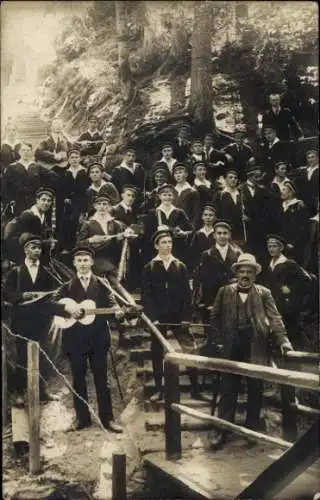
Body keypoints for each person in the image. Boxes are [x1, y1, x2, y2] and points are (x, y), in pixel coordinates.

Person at [209, 253, 293, 450]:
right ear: (236, 273)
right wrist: (219, 343)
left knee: (255, 389)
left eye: (249, 272)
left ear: (255, 275)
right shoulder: (224, 292)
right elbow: (214, 319)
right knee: (228, 389)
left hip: (256, 346)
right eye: (242, 271)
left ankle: (251, 430)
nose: (245, 275)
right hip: (231, 347)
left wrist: (284, 341)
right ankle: (223, 430)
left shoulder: (264, 293)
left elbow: (275, 319)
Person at [51, 245, 124, 432]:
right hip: (75, 339)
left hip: (98, 338)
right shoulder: (67, 286)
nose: (83, 264)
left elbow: (112, 301)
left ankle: (107, 420)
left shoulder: (101, 283)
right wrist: (67, 309)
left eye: (86, 260)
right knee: (78, 378)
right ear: (75, 264)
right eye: (79, 260)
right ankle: (82, 419)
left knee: (101, 378)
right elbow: (52, 304)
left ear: (92, 262)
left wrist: (117, 311)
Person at [263, 235, 313, 440]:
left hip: (287, 314)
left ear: (281, 247)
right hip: (272, 313)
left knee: (289, 356)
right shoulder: (270, 264)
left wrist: (291, 291)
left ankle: (293, 409)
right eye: (270, 246)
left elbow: (308, 280)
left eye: (276, 245)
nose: (272, 249)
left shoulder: (289, 264)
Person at [141, 226, 199, 401]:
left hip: (178, 317)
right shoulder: (149, 267)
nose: (167, 245)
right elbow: (147, 296)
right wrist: (153, 318)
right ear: (156, 246)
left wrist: (186, 318)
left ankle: (196, 388)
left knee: (189, 350)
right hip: (158, 319)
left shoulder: (180, 266)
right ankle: (160, 389)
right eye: (164, 243)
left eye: (170, 242)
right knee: (157, 353)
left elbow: (187, 296)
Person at [3, 234, 59, 403]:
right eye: (33, 248)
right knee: (21, 355)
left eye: (39, 248)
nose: (37, 251)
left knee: (42, 354)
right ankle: (19, 392)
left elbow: (52, 293)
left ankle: (42, 392)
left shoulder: (46, 272)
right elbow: (7, 294)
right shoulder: (16, 272)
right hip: (21, 320)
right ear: (26, 250)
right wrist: (22, 296)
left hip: (41, 320)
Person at [194, 220, 242, 330]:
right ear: (214, 235)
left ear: (229, 235)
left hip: (232, 295)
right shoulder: (207, 254)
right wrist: (208, 301)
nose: (222, 236)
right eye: (219, 233)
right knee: (213, 326)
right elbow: (205, 280)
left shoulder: (237, 253)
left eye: (225, 233)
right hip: (213, 296)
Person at [142, 183, 194, 266]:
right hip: (158, 251)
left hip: (176, 249)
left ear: (173, 197)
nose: (167, 197)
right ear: (159, 196)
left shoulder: (179, 212)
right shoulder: (153, 213)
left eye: (169, 195)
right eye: (164, 195)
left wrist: (183, 233)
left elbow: (191, 230)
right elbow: (147, 234)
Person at [2, 142, 57, 217]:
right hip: (18, 201)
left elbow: (53, 176)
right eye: (23, 150)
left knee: (34, 222)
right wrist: (10, 200)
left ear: (31, 152)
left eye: (28, 150)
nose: (26, 152)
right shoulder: (12, 167)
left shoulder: (36, 166)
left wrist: (43, 189)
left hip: (34, 201)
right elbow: (5, 185)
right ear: (19, 152)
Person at [4, 187, 57, 264]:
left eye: (49, 201)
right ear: (37, 200)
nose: (46, 203)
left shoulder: (43, 216)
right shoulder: (28, 216)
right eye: (43, 200)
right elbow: (23, 238)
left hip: (35, 252)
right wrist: (46, 243)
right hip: (22, 254)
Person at [77, 194, 124, 278]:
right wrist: (90, 240)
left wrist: (120, 238)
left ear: (109, 206)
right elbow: (78, 244)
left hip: (113, 259)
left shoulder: (114, 223)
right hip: (96, 259)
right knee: (113, 275)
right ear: (95, 206)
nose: (102, 207)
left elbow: (118, 243)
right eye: (99, 204)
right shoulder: (88, 224)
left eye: (104, 204)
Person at [241, 164, 278, 265]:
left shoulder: (263, 190)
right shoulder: (240, 190)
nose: (259, 179)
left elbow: (268, 209)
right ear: (250, 176)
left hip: (260, 228)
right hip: (246, 231)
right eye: (257, 177)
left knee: (261, 256)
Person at [59, 149, 90, 252]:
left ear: (80, 158)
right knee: (67, 223)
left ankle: (79, 246)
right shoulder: (66, 172)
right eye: (72, 158)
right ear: (68, 160)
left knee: (79, 223)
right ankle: (68, 246)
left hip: (81, 200)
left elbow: (87, 188)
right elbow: (63, 187)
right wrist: (65, 197)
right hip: (69, 202)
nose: (74, 160)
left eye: (76, 157)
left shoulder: (85, 172)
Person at [279, 180, 310, 265]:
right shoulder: (281, 206)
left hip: (295, 246)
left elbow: (303, 228)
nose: (281, 192)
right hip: (282, 244)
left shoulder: (299, 206)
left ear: (291, 192)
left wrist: (293, 242)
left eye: (284, 190)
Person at [214, 168, 244, 244]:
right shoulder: (220, 194)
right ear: (226, 179)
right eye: (230, 177)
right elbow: (216, 213)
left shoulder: (241, 194)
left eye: (235, 178)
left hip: (240, 231)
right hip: (225, 230)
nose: (233, 180)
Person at [190, 204, 217, 272]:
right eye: (205, 215)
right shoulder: (198, 234)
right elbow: (193, 252)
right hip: (201, 267)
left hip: (216, 266)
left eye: (211, 215)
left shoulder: (217, 233)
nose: (208, 217)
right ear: (202, 217)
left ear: (214, 217)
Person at [173, 163, 200, 229]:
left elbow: (196, 212)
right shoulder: (172, 190)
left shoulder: (192, 191)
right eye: (176, 173)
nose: (178, 175)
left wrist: (192, 227)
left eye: (180, 173)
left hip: (186, 225)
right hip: (172, 225)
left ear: (186, 174)